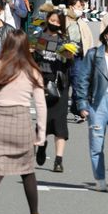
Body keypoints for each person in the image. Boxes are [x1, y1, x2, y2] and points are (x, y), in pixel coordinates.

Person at [0, 30, 47, 214]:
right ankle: (34, 213)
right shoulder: (32, 70)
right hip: (22, 120)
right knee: (27, 169)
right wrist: (41, 133)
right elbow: (40, 105)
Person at [75, 23, 108, 193]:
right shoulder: (94, 55)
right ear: (106, 36)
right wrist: (82, 104)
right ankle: (99, 179)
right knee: (96, 144)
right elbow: (82, 79)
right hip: (96, 104)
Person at [32, 11, 72, 172]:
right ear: (47, 20)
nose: (54, 23)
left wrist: (69, 56)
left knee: (60, 122)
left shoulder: (64, 40)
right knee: (43, 119)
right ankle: (41, 145)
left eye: (57, 21)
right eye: (52, 20)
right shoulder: (37, 36)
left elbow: (70, 63)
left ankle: (58, 160)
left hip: (59, 83)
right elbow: (31, 56)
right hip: (41, 81)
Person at [66, 0, 94, 123]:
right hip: (67, 56)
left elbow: (88, 39)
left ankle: (77, 109)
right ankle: (75, 108)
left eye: (81, 7)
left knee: (78, 82)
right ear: (71, 6)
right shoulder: (65, 20)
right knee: (69, 83)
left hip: (80, 57)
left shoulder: (81, 22)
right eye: (78, 6)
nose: (80, 9)